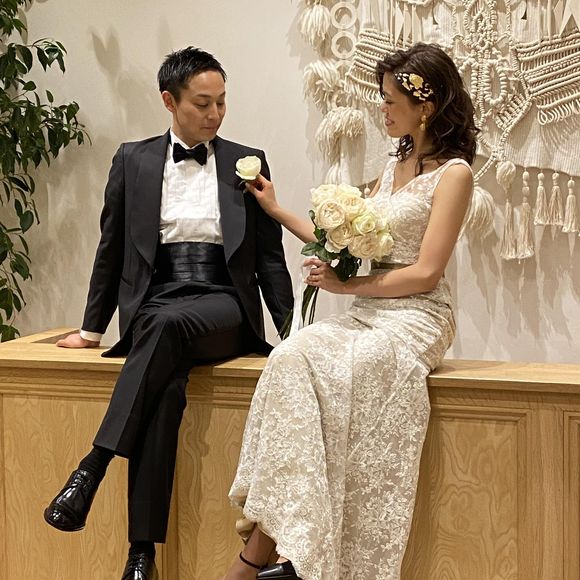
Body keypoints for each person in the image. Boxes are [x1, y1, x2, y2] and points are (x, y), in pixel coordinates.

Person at [222, 42, 477, 580]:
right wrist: (276, 208)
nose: (381, 109)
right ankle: (288, 549)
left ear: (425, 105)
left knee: (336, 375)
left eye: (389, 100)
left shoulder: (454, 174)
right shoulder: (391, 165)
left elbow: (427, 272)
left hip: (418, 317)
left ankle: (259, 560)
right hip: (368, 312)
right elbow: (338, 242)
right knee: (291, 355)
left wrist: (347, 285)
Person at [43, 47, 293, 580]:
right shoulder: (132, 160)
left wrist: (292, 332)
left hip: (224, 302)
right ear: (169, 101)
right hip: (157, 299)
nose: (215, 113)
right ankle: (142, 555)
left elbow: (269, 257)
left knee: (165, 327)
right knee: (164, 388)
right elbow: (111, 249)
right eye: (202, 103)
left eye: (221, 102)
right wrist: (91, 329)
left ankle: (93, 466)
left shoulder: (247, 160)